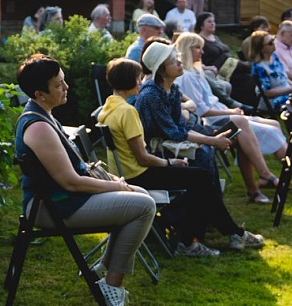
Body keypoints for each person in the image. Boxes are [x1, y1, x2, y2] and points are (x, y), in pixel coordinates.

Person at [15, 53, 155, 304]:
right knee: (144, 206)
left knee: (142, 196)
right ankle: (112, 286)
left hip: (64, 200)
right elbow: (71, 181)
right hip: (52, 207)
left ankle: (106, 267)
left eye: (63, 80)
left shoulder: (45, 115)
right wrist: (115, 185)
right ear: (39, 94)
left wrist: (117, 184)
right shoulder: (38, 127)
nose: (66, 87)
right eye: (58, 85)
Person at [98, 57, 265, 253]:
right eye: (138, 78)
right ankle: (212, 238)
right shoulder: (127, 112)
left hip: (127, 173)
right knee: (202, 178)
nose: (141, 81)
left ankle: (205, 238)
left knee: (199, 179)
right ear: (131, 81)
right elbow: (143, 158)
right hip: (138, 175)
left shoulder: (109, 107)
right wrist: (169, 162)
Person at [174, 33, 285, 199]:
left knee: (273, 124)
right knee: (241, 124)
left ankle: (288, 175)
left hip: (222, 115)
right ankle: (269, 175)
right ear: (186, 50)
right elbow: (201, 110)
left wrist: (230, 110)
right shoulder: (187, 77)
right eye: (197, 48)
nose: (202, 52)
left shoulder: (196, 72)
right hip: (211, 123)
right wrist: (230, 111)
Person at [194, 12, 256, 108]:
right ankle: (254, 66)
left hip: (231, 66)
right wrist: (207, 67)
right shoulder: (199, 40)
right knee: (248, 71)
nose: (213, 24)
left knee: (249, 77)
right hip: (219, 70)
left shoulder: (216, 38)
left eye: (214, 21)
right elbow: (197, 59)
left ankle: (253, 105)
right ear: (201, 25)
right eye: (209, 22)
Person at [250, 30, 292, 113]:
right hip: (272, 99)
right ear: (262, 49)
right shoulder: (259, 67)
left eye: (273, 39)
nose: (274, 43)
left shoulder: (274, 57)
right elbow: (267, 93)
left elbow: (283, 77)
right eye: (270, 43)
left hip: (286, 92)